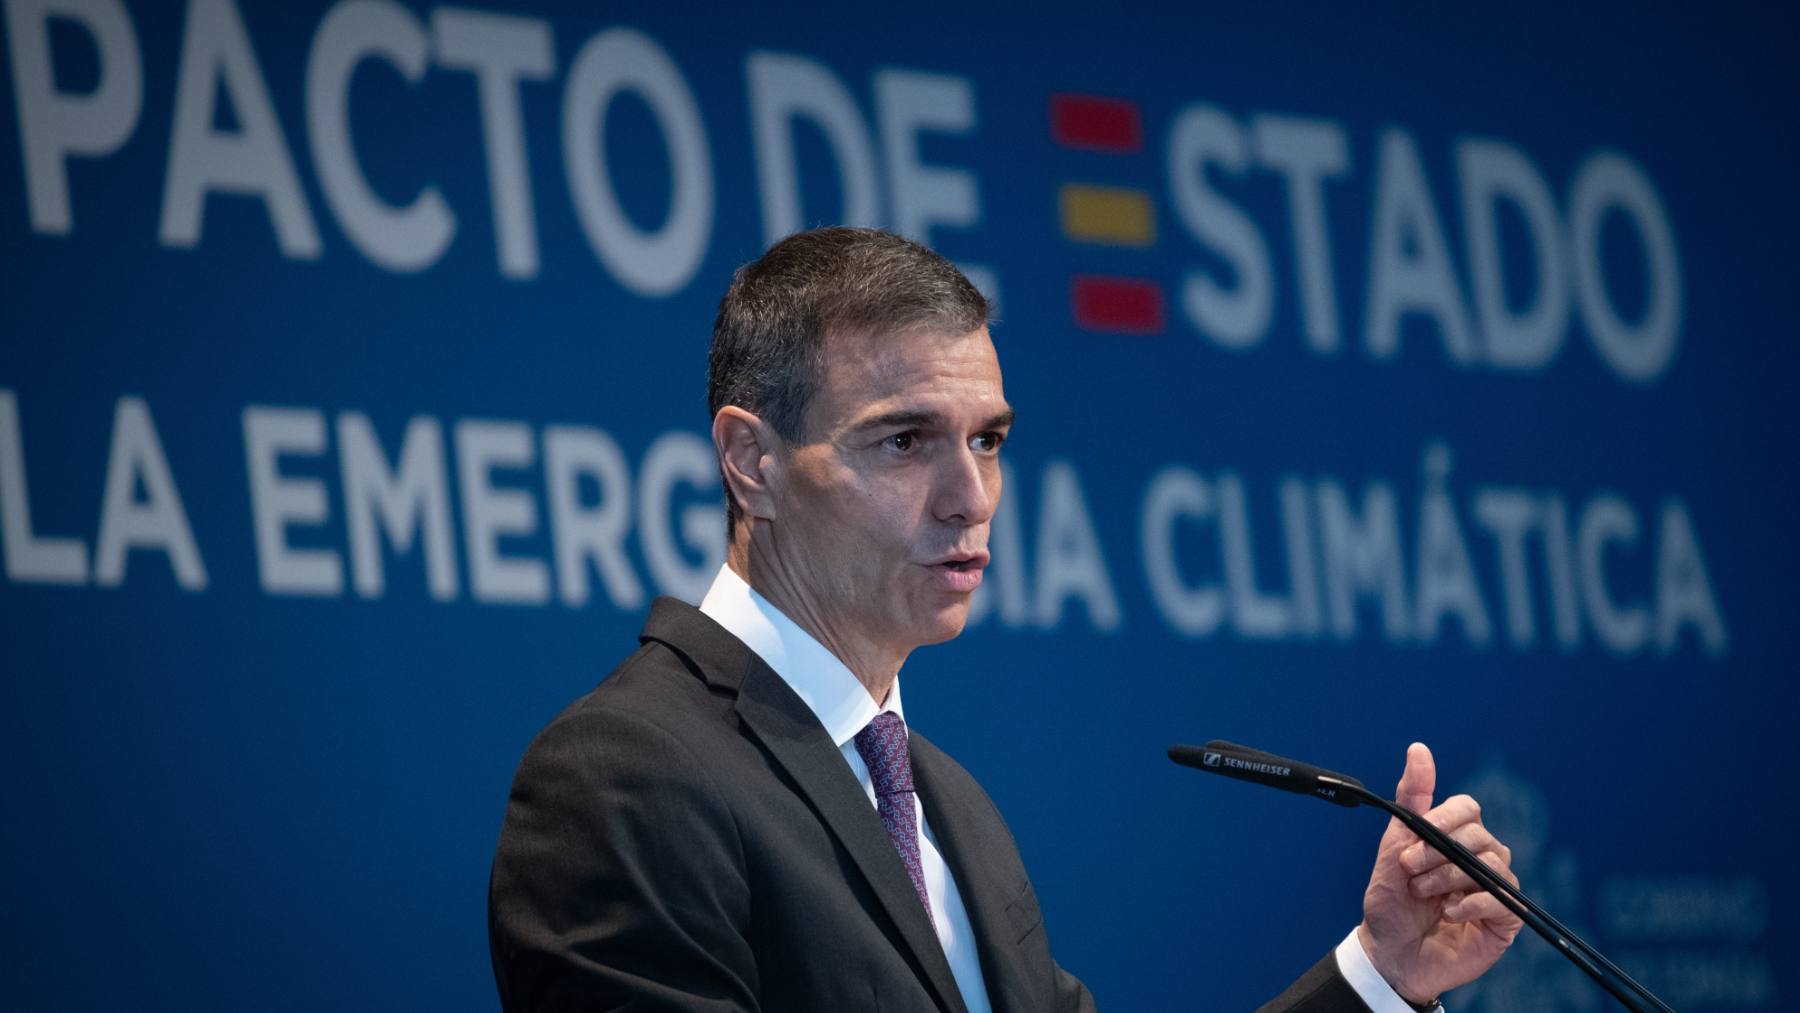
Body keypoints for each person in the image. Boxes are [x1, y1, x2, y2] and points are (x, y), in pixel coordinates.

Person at [487, 228, 1522, 1012]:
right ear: (752, 463)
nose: (970, 497)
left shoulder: (949, 808)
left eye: (987, 440)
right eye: (904, 441)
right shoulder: (626, 774)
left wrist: (1380, 973)